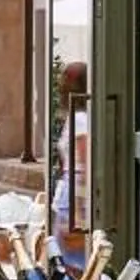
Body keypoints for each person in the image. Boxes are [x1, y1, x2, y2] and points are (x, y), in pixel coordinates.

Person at [53, 59, 92, 254]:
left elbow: (84, 164)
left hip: (74, 197)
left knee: (69, 262)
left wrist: (78, 218)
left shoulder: (80, 120)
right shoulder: (79, 117)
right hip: (71, 195)